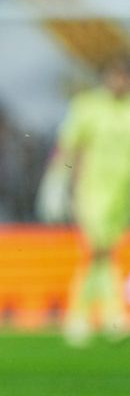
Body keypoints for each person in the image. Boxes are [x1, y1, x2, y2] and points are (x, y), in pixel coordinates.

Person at [37, 57, 130, 346]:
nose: (120, 82)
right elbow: (67, 146)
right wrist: (56, 182)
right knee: (97, 250)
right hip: (91, 191)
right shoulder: (88, 106)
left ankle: (97, 315)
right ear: (105, 77)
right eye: (116, 75)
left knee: (105, 252)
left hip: (123, 195)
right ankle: (90, 314)